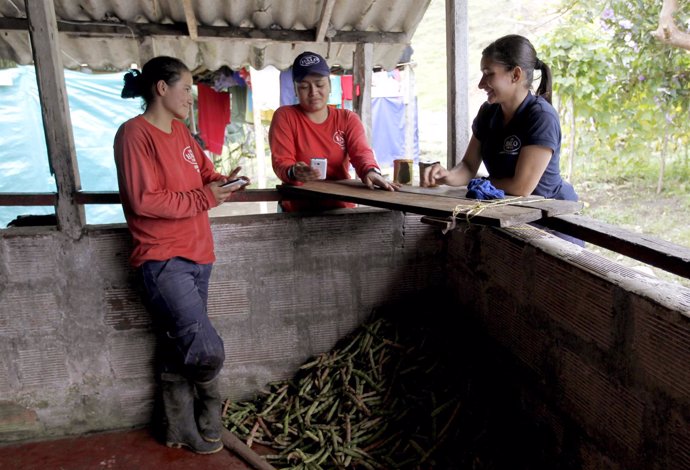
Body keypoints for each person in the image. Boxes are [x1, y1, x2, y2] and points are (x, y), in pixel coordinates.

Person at [113, 56, 249, 454]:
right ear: (161, 88)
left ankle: (177, 427)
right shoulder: (133, 134)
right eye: (186, 88)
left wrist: (226, 181)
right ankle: (210, 403)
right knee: (205, 348)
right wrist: (205, 197)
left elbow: (206, 175)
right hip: (162, 258)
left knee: (178, 345)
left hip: (199, 255)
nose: (191, 97)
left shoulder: (183, 134)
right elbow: (143, 200)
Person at [422, 35, 582, 245]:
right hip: (511, 217)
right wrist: (448, 176)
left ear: (515, 74)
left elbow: (521, 187)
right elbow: (469, 165)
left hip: (550, 222)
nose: (481, 84)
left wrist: (477, 183)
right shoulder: (488, 112)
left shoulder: (541, 116)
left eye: (489, 74)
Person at [269, 51, 398, 212]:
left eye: (319, 84)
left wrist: (371, 171)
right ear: (295, 90)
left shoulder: (347, 119)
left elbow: (361, 153)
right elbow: (282, 162)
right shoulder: (285, 117)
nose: (313, 92)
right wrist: (294, 172)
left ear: (330, 85)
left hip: (340, 207)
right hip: (296, 210)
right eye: (304, 86)